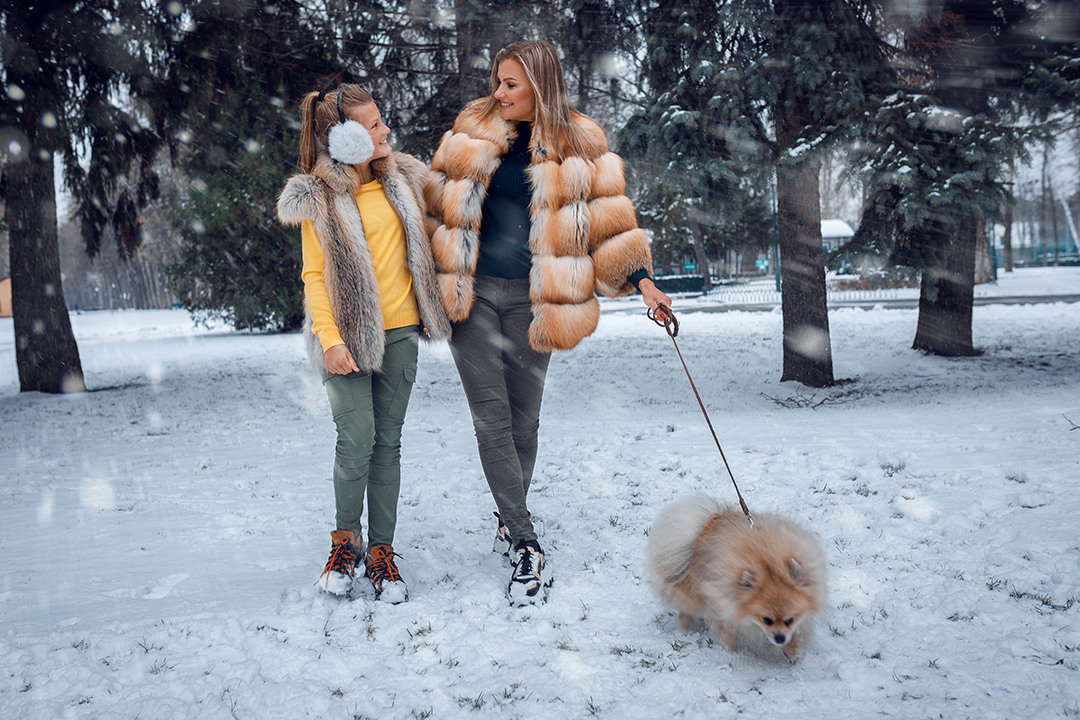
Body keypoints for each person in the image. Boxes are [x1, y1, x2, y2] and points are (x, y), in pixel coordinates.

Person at [424, 41, 672, 606]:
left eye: (510, 83)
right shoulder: (470, 130)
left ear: (539, 85)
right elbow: (434, 209)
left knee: (524, 422)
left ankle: (508, 515)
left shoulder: (581, 142)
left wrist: (643, 282)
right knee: (490, 419)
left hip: (539, 301)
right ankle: (525, 540)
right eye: (496, 80)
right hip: (471, 297)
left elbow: (609, 223)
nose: (498, 92)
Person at [277, 83, 450, 602]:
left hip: (401, 334)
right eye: (374, 125)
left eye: (381, 120)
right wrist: (330, 341)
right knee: (356, 441)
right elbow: (313, 276)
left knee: (387, 444)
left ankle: (381, 554)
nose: (385, 130)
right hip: (345, 340)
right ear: (345, 138)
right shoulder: (319, 196)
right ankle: (344, 546)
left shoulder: (405, 180)